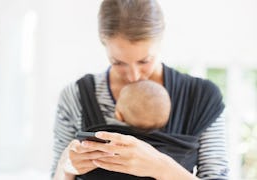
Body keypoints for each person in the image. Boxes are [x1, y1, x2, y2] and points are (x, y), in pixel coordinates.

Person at [52, 0, 228, 179]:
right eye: (118, 62)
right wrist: (65, 167)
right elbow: (57, 175)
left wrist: (161, 168)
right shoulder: (76, 97)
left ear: (160, 40)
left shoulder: (201, 98)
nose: (133, 76)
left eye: (144, 60)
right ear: (103, 45)